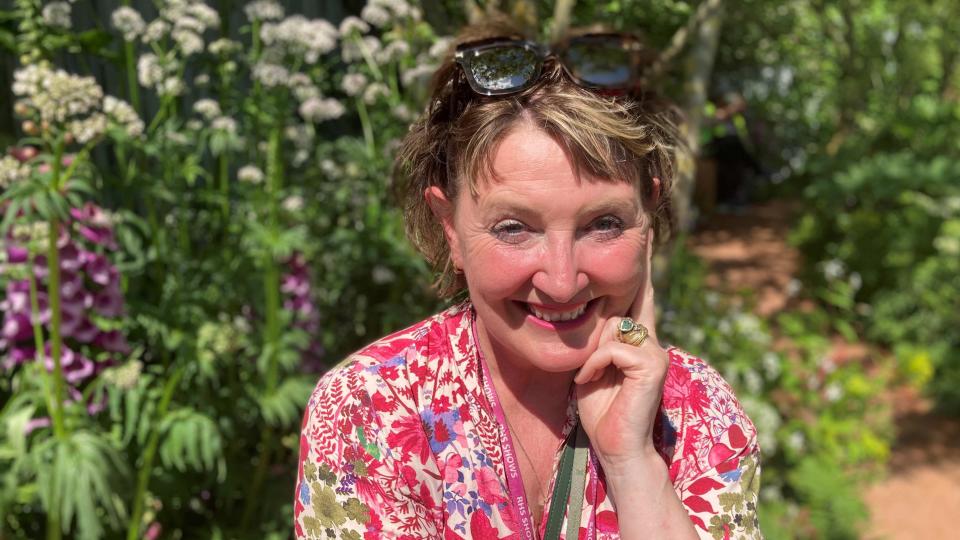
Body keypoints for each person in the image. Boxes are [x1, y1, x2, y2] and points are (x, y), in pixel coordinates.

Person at [295, 18, 761, 540]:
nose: (561, 281)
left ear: (647, 217)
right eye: (514, 228)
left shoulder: (697, 414)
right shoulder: (371, 408)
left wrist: (633, 464)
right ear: (451, 227)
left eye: (603, 224)